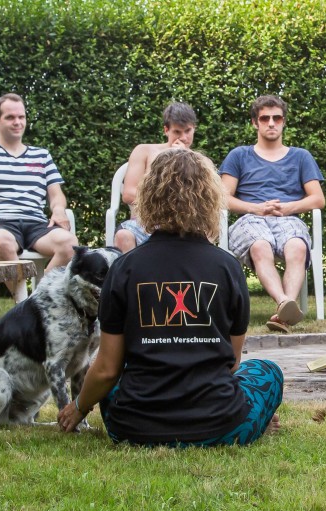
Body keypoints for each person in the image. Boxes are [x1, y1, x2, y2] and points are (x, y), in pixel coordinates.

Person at [58, 148, 283, 446]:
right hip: (222, 429)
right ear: (210, 199)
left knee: (116, 379)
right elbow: (231, 363)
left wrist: (79, 407)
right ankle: (253, 418)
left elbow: (106, 369)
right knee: (267, 371)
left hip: (132, 429)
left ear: (149, 195)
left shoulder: (124, 267)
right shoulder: (228, 268)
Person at [219, 95, 326, 332]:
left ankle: (283, 311)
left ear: (283, 122)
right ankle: (285, 304)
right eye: (264, 118)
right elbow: (222, 198)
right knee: (260, 246)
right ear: (254, 123)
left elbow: (318, 199)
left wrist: (289, 207)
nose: (271, 123)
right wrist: (256, 208)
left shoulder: (301, 156)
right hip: (251, 218)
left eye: (276, 118)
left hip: (287, 217)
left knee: (298, 246)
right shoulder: (239, 155)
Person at [0, 93, 78, 300]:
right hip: (1, 223)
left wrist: (58, 209)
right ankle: (23, 303)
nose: (17, 122)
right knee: (4, 242)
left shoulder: (42, 155)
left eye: (21, 117)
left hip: (37, 224)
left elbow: (56, 195)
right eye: (10, 117)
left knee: (69, 244)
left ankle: (39, 299)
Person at [116, 102, 198, 252]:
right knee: (123, 235)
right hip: (144, 223)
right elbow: (128, 194)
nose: (184, 138)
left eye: (188, 131)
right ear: (166, 130)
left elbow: (202, 197)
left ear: (194, 128)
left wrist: (185, 157)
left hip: (182, 225)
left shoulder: (199, 160)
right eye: (177, 132)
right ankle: (131, 276)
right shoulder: (144, 151)